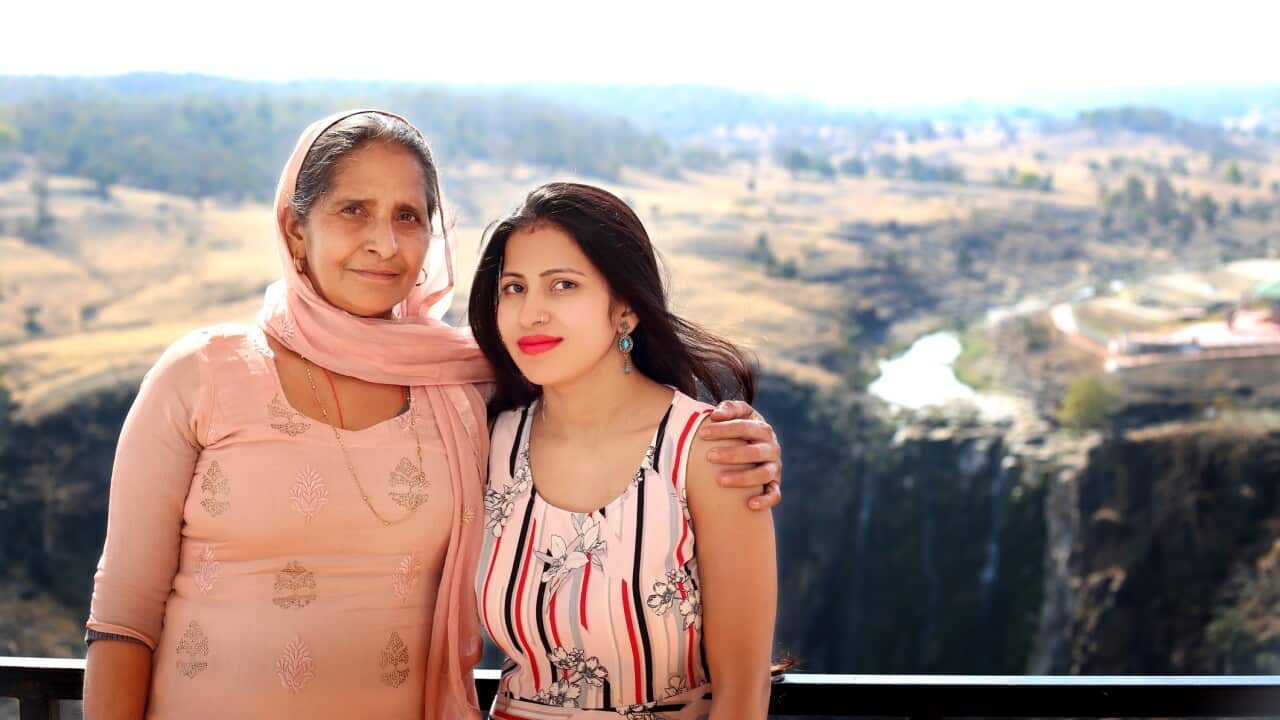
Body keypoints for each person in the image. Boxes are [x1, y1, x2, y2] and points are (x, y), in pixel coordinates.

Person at [82, 110, 783, 720]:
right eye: (353, 210)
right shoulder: (200, 375)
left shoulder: (464, 389)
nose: (384, 243)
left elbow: (598, 405)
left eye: (407, 216)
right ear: (296, 231)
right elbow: (123, 618)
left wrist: (740, 443)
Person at [470, 183, 777, 719]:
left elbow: (743, 693)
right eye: (514, 288)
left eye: (563, 285)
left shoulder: (709, 453)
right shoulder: (488, 442)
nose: (531, 313)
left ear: (626, 310)